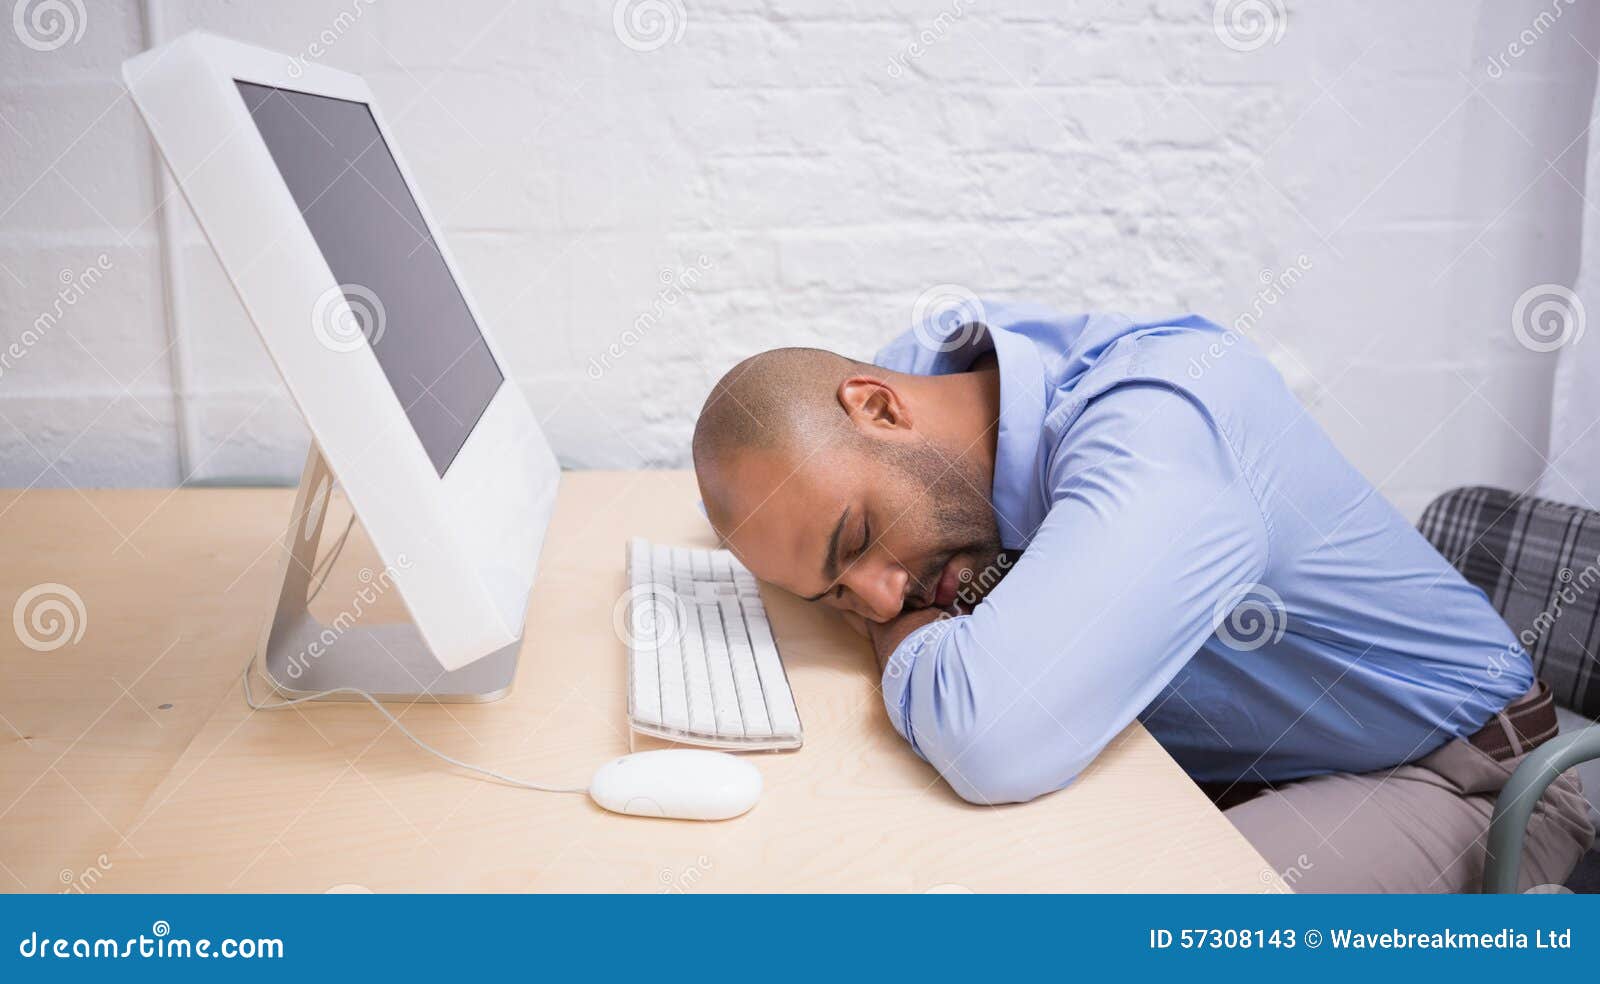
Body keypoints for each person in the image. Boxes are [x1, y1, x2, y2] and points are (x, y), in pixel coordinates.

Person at [690, 302, 1594, 892]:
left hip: (1467, 779)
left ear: (880, 409)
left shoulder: (1160, 418)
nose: (881, 599)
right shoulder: (925, 399)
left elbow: (994, 736)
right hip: (1260, 764)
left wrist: (915, 637)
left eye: (857, 543)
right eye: (837, 596)